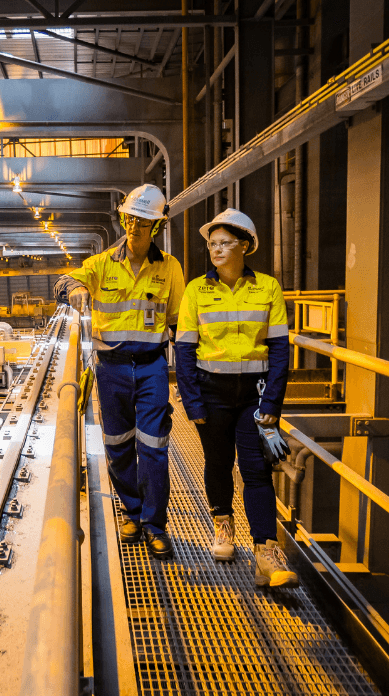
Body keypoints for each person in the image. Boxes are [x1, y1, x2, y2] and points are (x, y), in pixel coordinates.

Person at [173, 208, 298, 587]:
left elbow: (279, 350)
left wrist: (272, 404)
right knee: (218, 461)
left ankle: (266, 552)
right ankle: (223, 524)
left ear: (245, 246)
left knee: (257, 470)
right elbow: (183, 350)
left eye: (224, 243)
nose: (216, 249)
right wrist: (192, 402)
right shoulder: (196, 290)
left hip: (254, 397)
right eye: (212, 244)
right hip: (212, 394)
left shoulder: (268, 288)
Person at [62, 184, 185, 560]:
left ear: (157, 225)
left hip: (151, 369)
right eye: (130, 219)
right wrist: (76, 289)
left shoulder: (169, 268)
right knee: (117, 447)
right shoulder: (101, 265)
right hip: (111, 370)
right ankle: (132, 513)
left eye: (143, 221)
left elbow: (180, 324)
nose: (135, 227)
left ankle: (154, 524)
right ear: (123, 219)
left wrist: (186, 379)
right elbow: (65, 281)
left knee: (153, 448)